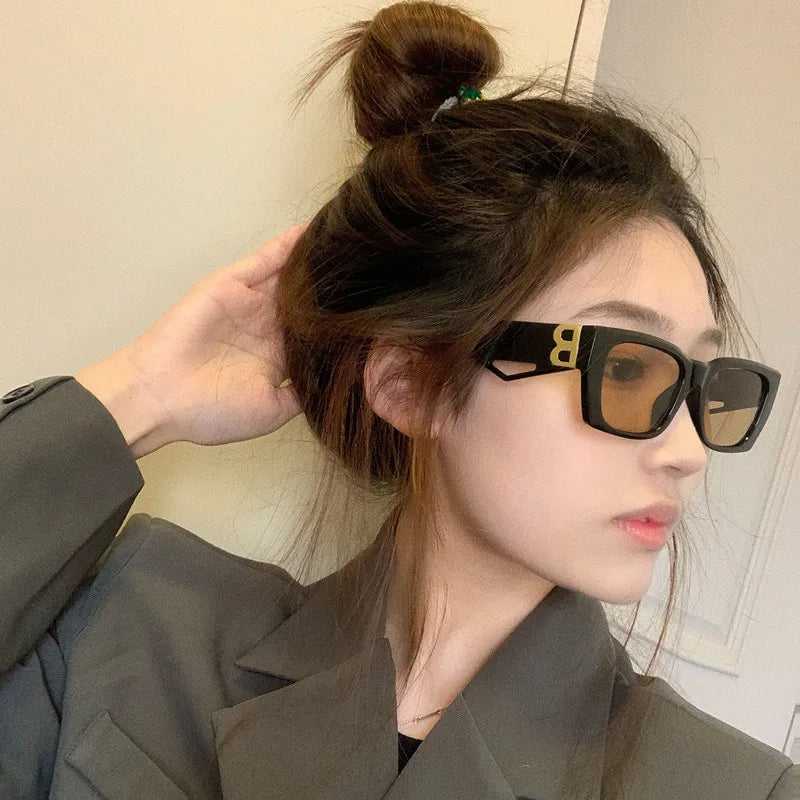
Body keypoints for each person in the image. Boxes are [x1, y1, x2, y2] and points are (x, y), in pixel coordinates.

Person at [0, 1, 796, 798]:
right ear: (410, 385)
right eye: (626, 369)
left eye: (705, 384)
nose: (689, 451)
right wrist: (139, 393)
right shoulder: (138, 622)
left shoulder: (734, 787)